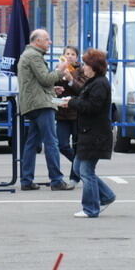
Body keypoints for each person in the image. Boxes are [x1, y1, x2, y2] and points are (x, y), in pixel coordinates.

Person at [60, 49, 116, 218]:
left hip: (96, 135)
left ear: (94, 67)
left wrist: (72, 103)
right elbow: (84, 99)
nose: (83, 67)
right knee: (78, 167)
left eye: (86, 64)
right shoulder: (94, 82)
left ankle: (90, 208)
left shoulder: (100, 84)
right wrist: (71, 101)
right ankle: (106, 196)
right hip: (89, 133)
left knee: (85, 171)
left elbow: (92, 106)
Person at [17, 29, 75, 191]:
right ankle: (56, 180)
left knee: (31, 143)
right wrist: (60, 70)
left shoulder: (28, 55)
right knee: (51, 142)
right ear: (37, 41)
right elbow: (45, 78)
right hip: (41, 105)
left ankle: (26, 180)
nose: (49, 42)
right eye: (47, 39)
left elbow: (37, 82)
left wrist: (52, 89)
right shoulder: (34, 56)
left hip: (33, 103)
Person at [55, 45, 85, 186]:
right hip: (62, 113)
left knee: (77, 145)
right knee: (62, 145)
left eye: (73, 54)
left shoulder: (82, 71)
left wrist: (70, 78)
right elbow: (52, 85)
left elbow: (82, 90)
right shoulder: (60, 68)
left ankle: (75, 177)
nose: (70, 56)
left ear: (77, 57)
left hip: (77, 113)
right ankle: (80, 165)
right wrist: (59, 74)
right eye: (67, 53)